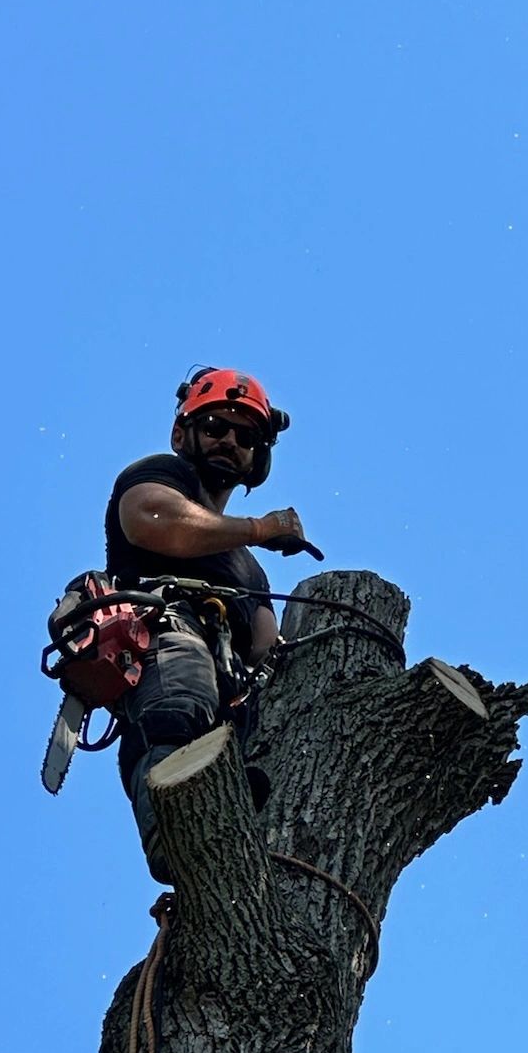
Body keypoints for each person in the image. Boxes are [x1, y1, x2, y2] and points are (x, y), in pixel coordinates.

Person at [106, 368, 318, 881]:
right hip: (167, 632)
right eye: (216, 427)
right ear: (184, 434)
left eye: (245, 437)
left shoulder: (250, 569)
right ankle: (175, 836)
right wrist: (260, 528)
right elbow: (151, 519)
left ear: (258, 457)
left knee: (239, 742)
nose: (230, 442)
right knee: (181, 702)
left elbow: (267, 647)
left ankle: (236, 845)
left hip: (232, 690)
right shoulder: (162, 475)